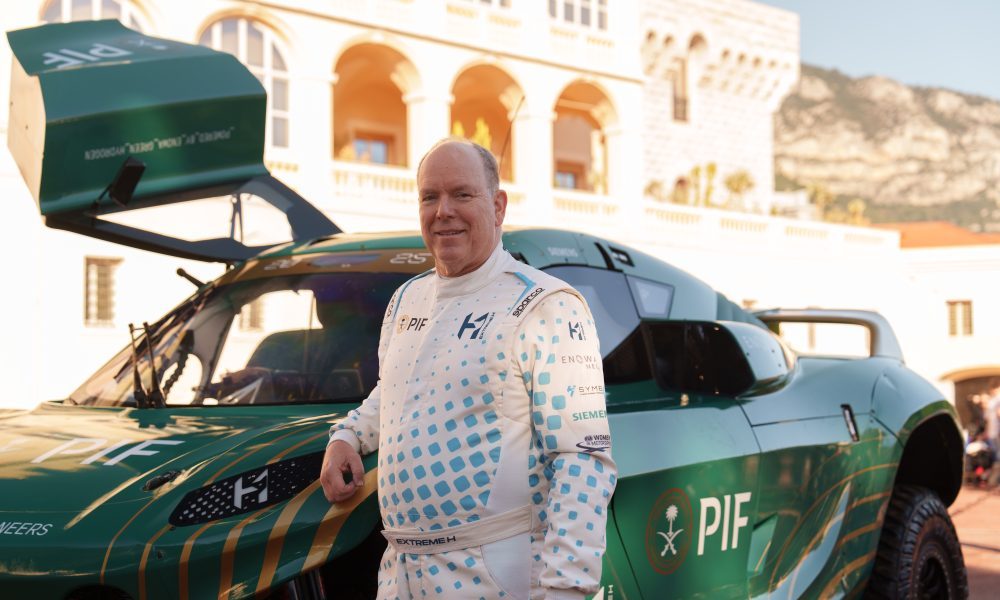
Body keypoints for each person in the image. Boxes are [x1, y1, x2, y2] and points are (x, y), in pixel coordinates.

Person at [320, 138, 616, 599]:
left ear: (497, 207)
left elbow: (582, 462)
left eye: (462, 194)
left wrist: (567, 591)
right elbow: (396, 390)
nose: (444, 211)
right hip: (402, 575)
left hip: (498, 576)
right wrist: (349, 435)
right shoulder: (405, 300)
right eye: (429, 197)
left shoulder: (547, 305)